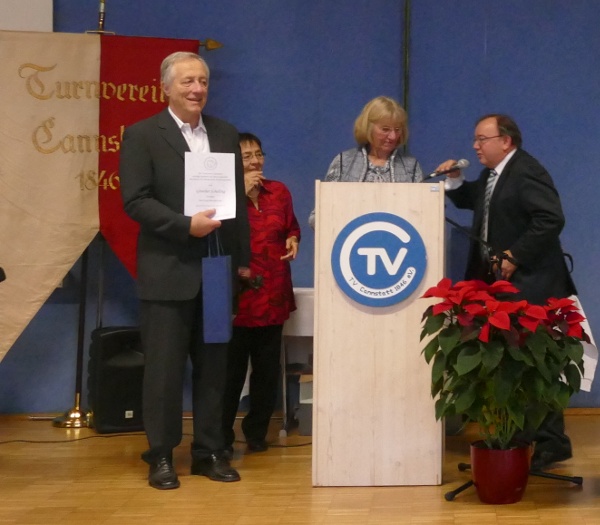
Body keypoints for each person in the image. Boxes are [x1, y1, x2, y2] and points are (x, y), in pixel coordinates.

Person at [119, 51, 250, 490]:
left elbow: (237, 205)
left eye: (203, 82)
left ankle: (210, 451)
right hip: (167, 270)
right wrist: (184, 226)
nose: (197, 90)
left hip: (216, 271)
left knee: (215, 368)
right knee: (164, 371)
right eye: (188, 82)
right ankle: (160, 456)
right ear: (166, 87)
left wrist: (242, 262)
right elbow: (135, 200)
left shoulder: (226, 133)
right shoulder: (142, 135)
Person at [434, 113, 577, 471]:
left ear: (506, 141)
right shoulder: (494, 174)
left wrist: (515, 254)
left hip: (532, 286)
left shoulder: (527, 170)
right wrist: (455, 183)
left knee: (536, 364)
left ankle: (552, 443)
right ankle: (523, 435)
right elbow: (482, 203)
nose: (475, 146)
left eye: (482, 139)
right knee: (515, 364)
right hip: (502, 286)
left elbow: (550, 218)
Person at [222, 132, 301, 455]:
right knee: (230, 372)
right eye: (246, 157)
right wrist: (236, 195)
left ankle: (256, 432)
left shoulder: (279, 192)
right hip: (237, 299)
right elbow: (214, 231)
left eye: (258, 154)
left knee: (267, 372)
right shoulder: (223, 196)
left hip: (272, 293)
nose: (255, 161)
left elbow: (291, 227)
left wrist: (293, 239)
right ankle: (220, 436)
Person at [308, 96, 424, 228]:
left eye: (397, 130)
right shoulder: (343, 162)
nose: (393, 136)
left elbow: (423, 217)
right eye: (385, 129)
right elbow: (317, 217)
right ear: (368, 128)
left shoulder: (411, 166)